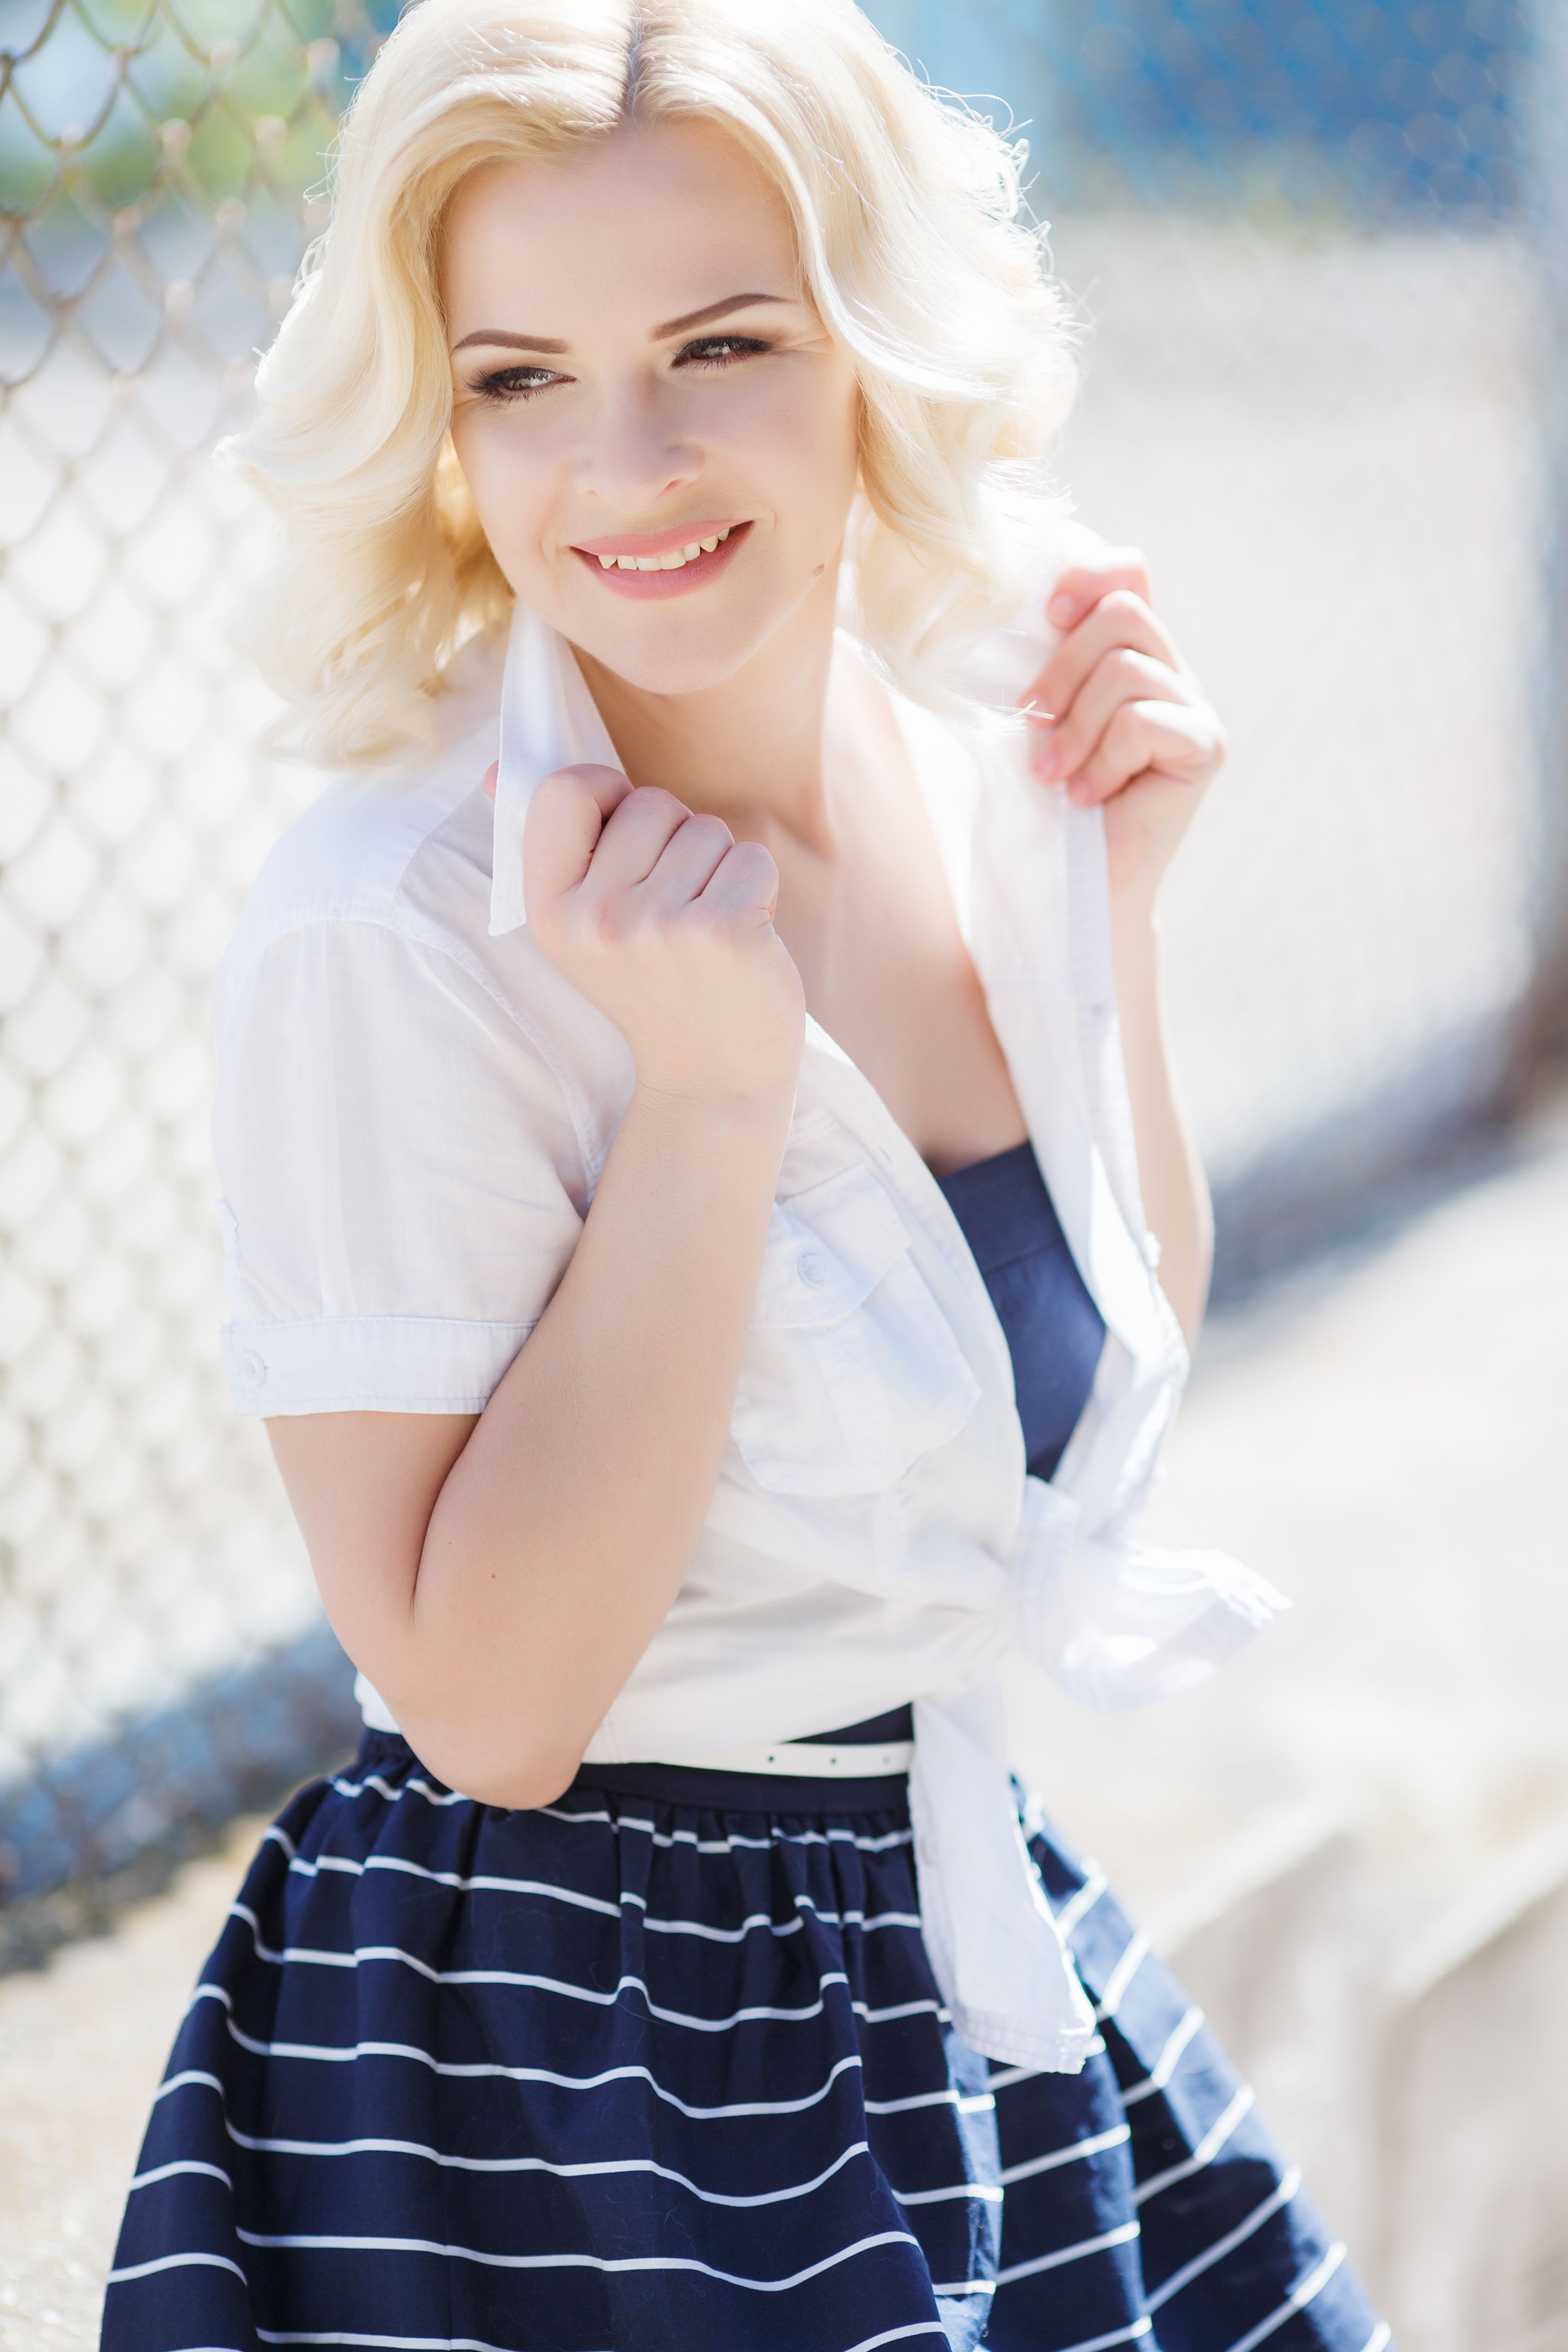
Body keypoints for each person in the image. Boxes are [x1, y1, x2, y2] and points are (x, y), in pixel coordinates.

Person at [102, 3, 1392, 2347]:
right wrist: (703, 1110)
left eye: (721, 343)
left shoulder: (975, 762)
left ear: (878, 350)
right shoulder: (396, 931)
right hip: (584, 2064)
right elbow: (488, 1715)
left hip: (944, 1926)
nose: (629, 461)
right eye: (517, 377)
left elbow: (1082, 1408)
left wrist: (1110, 924)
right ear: (435, 422)